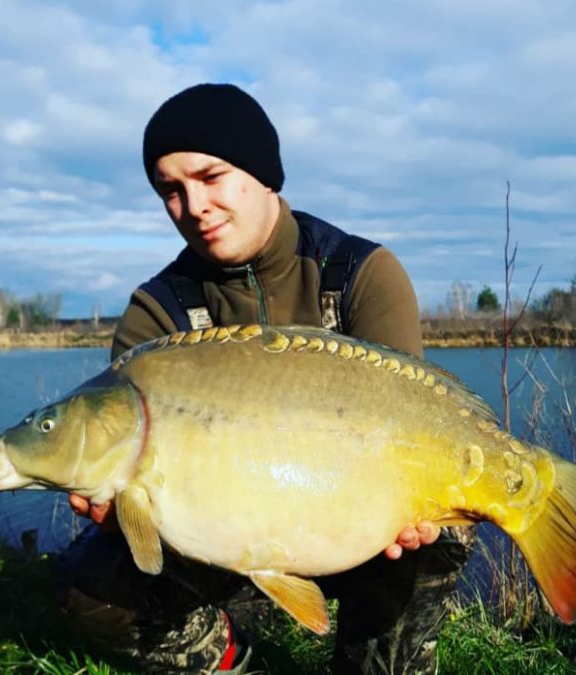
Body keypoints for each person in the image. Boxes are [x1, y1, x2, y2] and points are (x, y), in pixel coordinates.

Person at [61, 83, 474, 674]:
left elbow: (413, 423)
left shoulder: (360, 275)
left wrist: (414, 511)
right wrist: (123, 511)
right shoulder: (157, 312)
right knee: (93, 582)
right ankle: (241, 661)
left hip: (355, 530)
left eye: (211, 177)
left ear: (264, 175)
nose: (193, 206)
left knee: (447, 527)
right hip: (220, 543)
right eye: (171, 191)